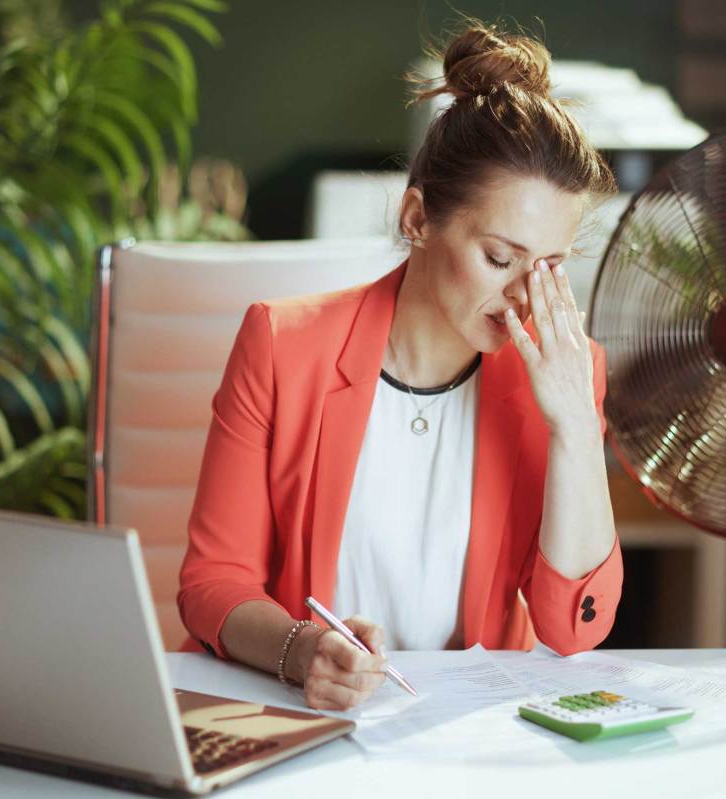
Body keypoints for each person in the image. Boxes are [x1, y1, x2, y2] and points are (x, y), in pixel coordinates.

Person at [178, 22, 622, 712]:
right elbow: (212, 581)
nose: (521, 295)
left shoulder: (562, 376)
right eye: (500, 259)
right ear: (417, 217)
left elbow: (572, 628)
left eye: (547, 268)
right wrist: (301, 651)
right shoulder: (281, 344)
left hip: (459, 735)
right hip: (297, 716)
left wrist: (575, 427)